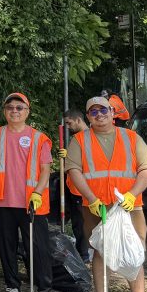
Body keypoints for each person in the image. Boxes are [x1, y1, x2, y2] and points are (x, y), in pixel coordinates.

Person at [65, 97, 147, 292]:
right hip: (96, 207)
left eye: (103, 110)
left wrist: (131, 195)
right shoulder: (79, 140)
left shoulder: (131, 137)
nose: (99, 115)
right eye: (94, 111)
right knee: (100, 250)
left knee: (134, 251)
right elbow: (74, 170)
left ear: (112, 112)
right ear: (88, 117)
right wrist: (91, 198)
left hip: (129, 206)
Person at [0, 92, 54, 292]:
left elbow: (45, 170)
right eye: (10, 107)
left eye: (19, 108)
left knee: (38, 248)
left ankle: (44, 289)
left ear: (27, 112)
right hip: (3, 201)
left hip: (32, 202)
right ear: (5, 111)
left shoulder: (38, 138)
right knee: (7, 247)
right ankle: (12, 287)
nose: (14, 111)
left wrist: (38, 192)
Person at [61, 108, 90, 262]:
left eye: (69, 123)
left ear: (78, 120)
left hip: (81, 189)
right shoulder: (78, 137)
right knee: (77, 224)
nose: (67, 127)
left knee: (80, 224)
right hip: (74, 188)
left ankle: (83, 255)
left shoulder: (87, 137)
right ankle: (82, 253)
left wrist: (69, 157)